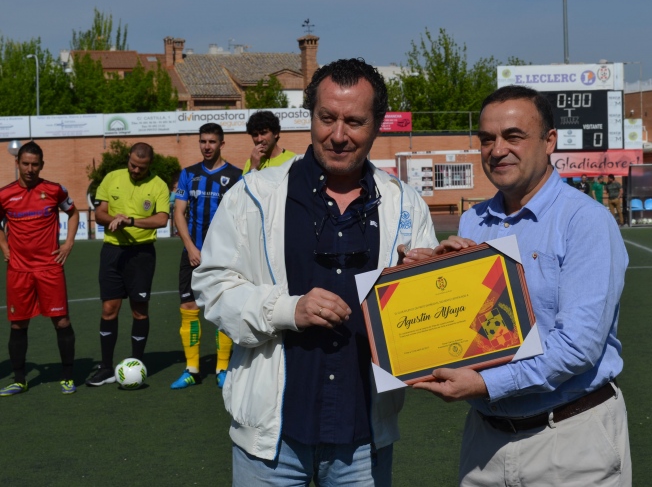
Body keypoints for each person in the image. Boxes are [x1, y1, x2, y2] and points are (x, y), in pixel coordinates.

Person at [194, 58, 438, 485]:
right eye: (327, 118)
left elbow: (431, 316)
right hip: (272, 442)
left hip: (363, 439)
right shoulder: (254, 195)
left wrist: (429, 278)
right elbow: (213, 287)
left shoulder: (406, 204)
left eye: (354, 121)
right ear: (310, 117)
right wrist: (288, 310)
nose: (338, 135)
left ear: (377, 125)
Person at [408, 85, 631, 486]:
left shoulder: (585, 221)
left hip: (570, 439)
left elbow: (577, 348)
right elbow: (472, 326)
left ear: (549, 141)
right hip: (485, 443)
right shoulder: (473, 221)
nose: (497, 150)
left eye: (513, 136)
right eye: (487, 139)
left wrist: (484, 384)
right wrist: (430, 276)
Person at [86, 143, 170, 386]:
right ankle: (105, 368)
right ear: (128, 159)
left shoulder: (159, 185)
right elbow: (100, 213)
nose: (136, 170)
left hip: (142, 254)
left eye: (141, 168)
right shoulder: (111, 178)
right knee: (109, 309)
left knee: (139, 310)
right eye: (133, 165)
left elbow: (162, 219)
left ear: (149, 165)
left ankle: (137, 364)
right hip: (112, 251)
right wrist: (115, 219)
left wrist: (130, 221)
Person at [0, 142, 78, 396]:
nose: (30, 169)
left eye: (35, 164)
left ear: (42, 165)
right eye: (25, 164)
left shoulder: (54, 190)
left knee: (62, 321)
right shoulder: (4, 194)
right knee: (18, 325)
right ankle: (19, 380)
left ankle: (67, 376)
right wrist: (4, 246)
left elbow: (73, 213)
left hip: (49, 268)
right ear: (17, 163)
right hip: (19, 270)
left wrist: (68, 243)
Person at [169, 123, 243, 390]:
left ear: (221, 144)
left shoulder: (236, 176)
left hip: (223, 256)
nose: (207, 146)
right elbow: (179, 213)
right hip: (193, 253)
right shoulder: (189, 174)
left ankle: (223, 368)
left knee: (223, 310)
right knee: (189, 308)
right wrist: (190, 247)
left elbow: (241, 216)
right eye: (203, 141)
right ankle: (192, 369)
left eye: (212, 142)